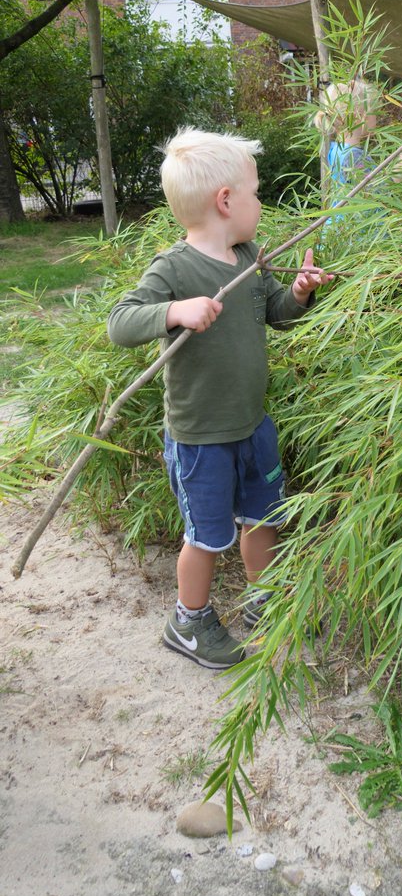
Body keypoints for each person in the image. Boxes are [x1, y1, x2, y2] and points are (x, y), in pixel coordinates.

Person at [107, 128, 331, 670]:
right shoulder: (174, 269)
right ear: (226, 201)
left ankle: (264, 597)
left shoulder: (248, 256)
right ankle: (189, 620)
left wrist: (298, 292)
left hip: (253, 424)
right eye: (255, 193)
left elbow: (273, 313)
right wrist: (175, 311)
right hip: (201, 439)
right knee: (206, 537)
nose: (261, 203)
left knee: (262, 517)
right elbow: (120, 322)